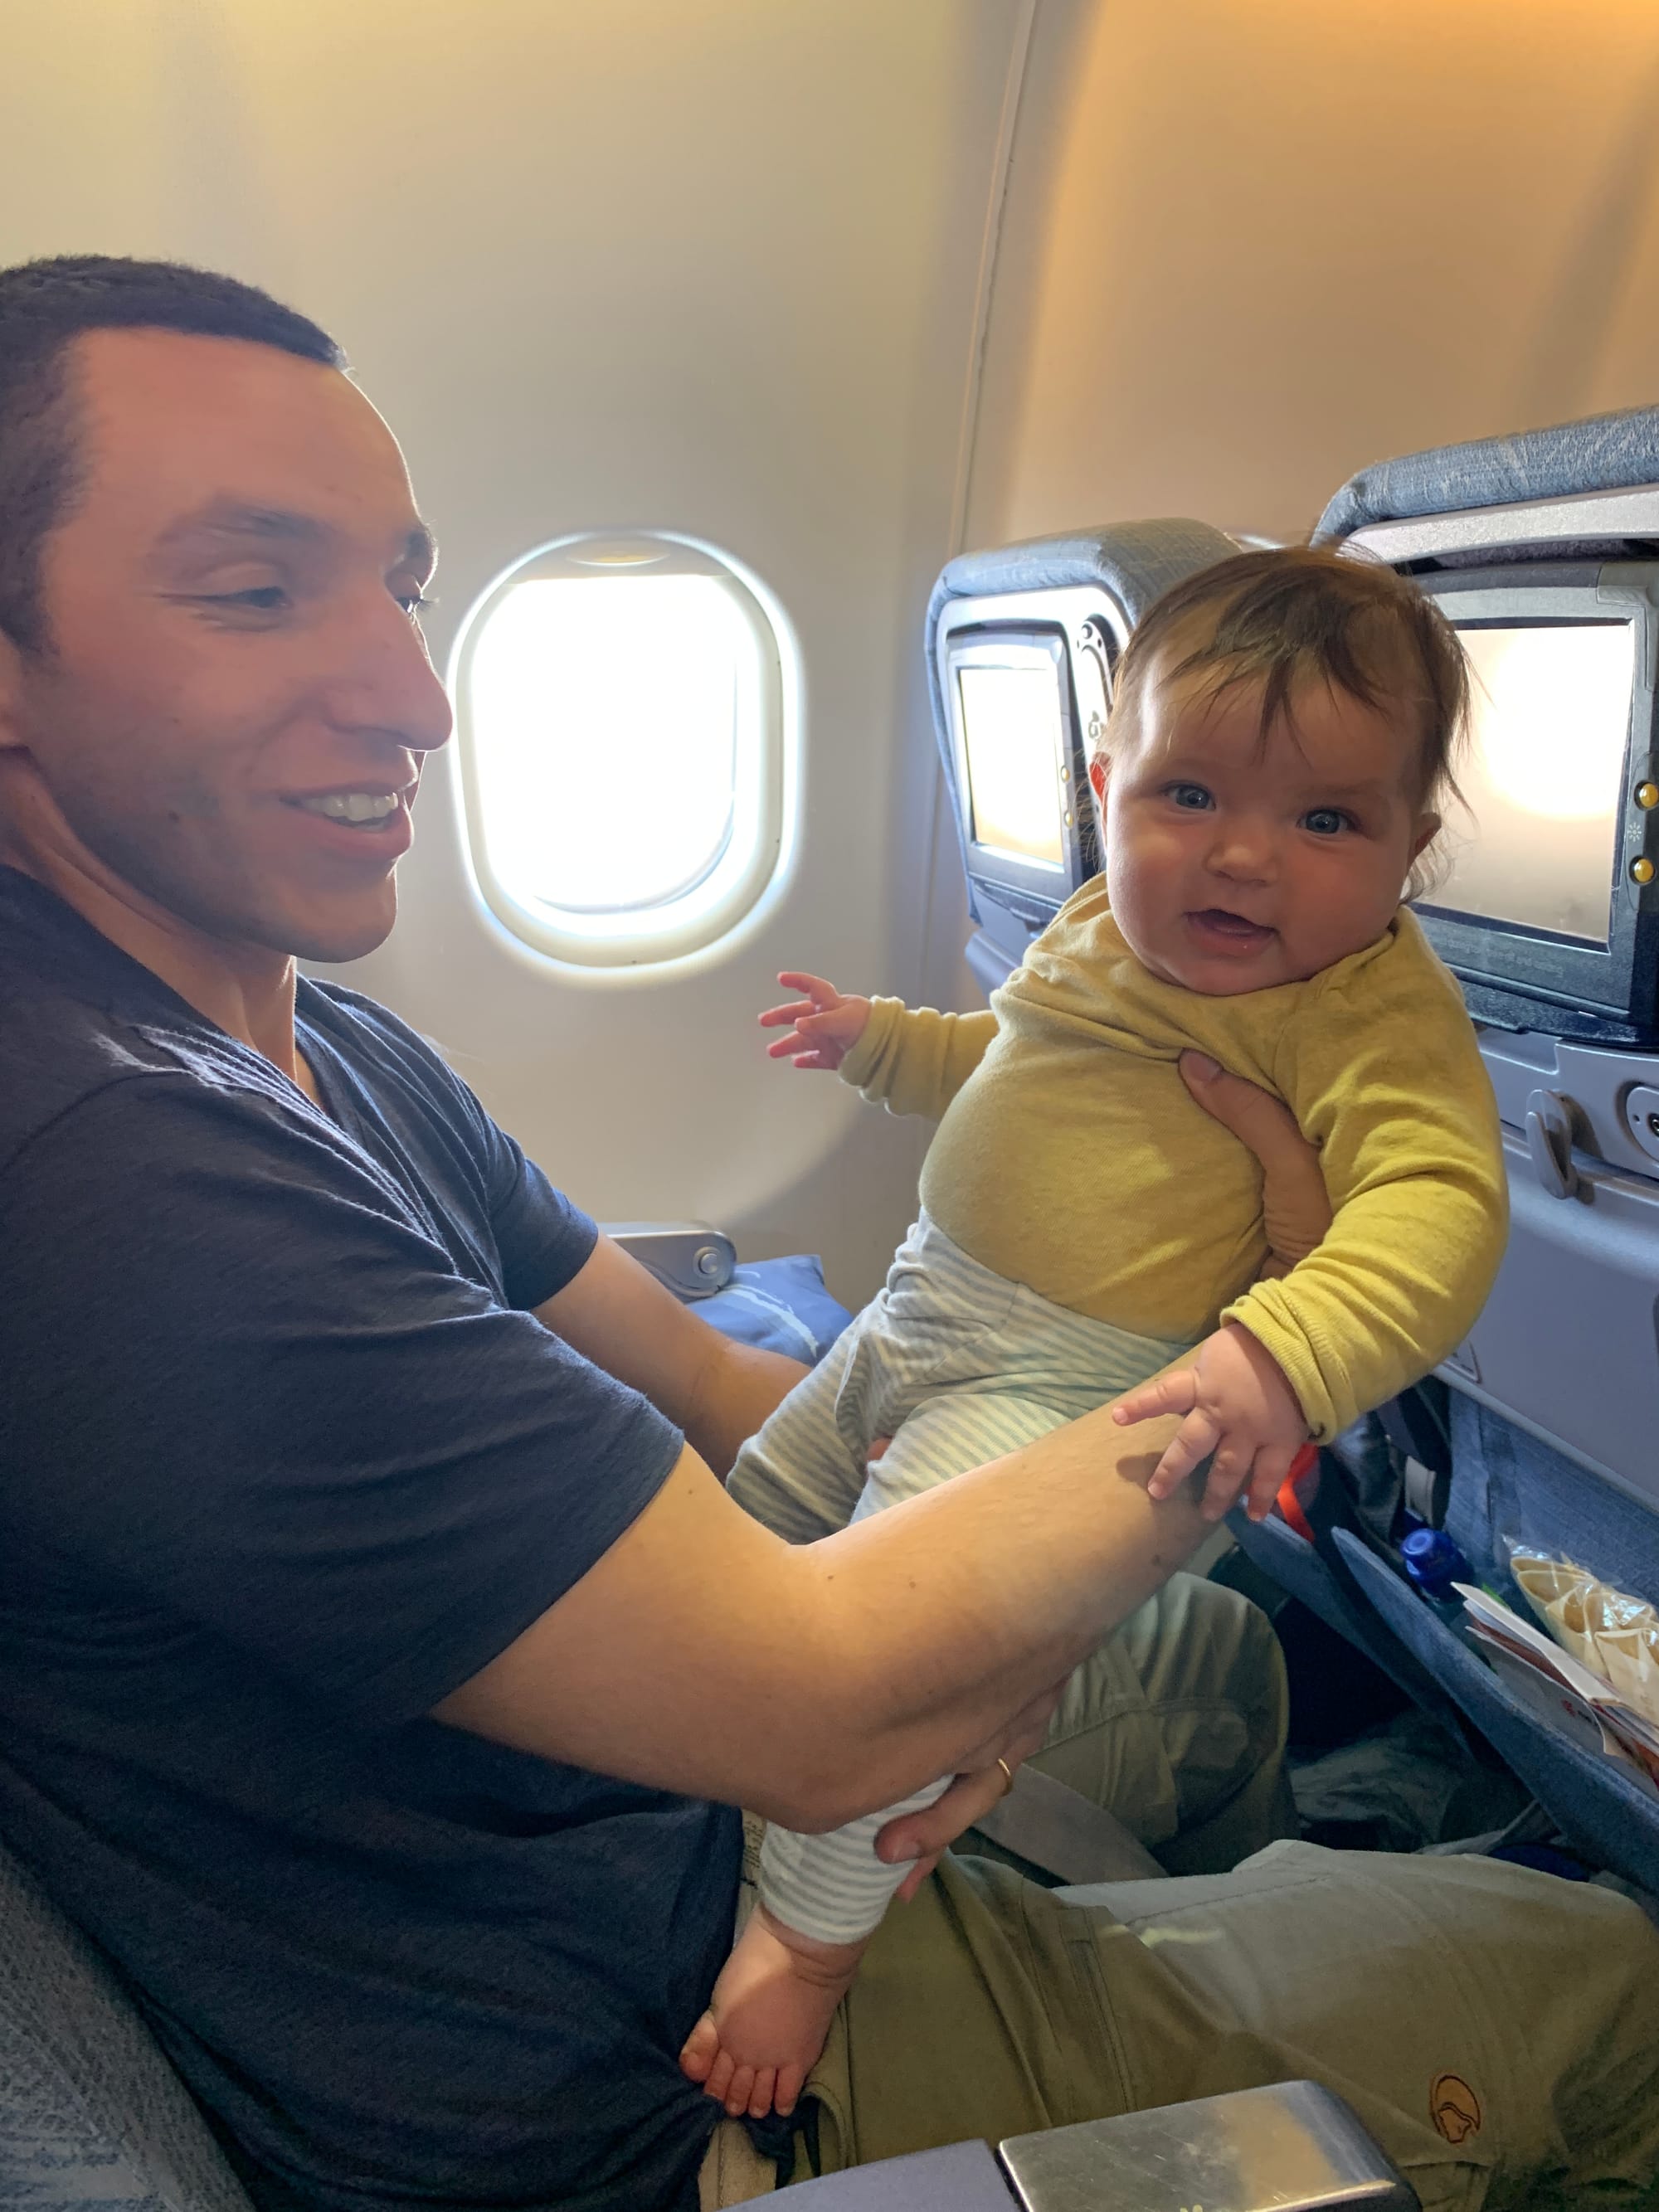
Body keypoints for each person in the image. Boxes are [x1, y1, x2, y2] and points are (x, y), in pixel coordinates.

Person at [1, 256, 1657, 2212]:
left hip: (661, 1794)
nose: (414, 694)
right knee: (1616, 1989)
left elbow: (713, 1380)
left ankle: (1258, 1953)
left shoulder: (309, 1031)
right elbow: (830, 1701)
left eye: (404, 588)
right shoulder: (118, 1171)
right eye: (253, 587)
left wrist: (977, 1500)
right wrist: (1241, 1340)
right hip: (655, 2066)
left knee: (1214, 1675)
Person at [684, 548, 1508, 2116]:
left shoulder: (1360, 1012)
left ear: (1414, 847)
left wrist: (1282, 1350)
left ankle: (809, 1942)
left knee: (905, 1650)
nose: (1244, 861)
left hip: (1077, 1390)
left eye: (1326, 820)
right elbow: (1016, 1054)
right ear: (1105, 782)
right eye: (1189, 797)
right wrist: (884, 1050)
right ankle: (681, 1785)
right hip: (918, 1311)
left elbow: (1440, 1208)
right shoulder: (1107, 927)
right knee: (744, 1552)